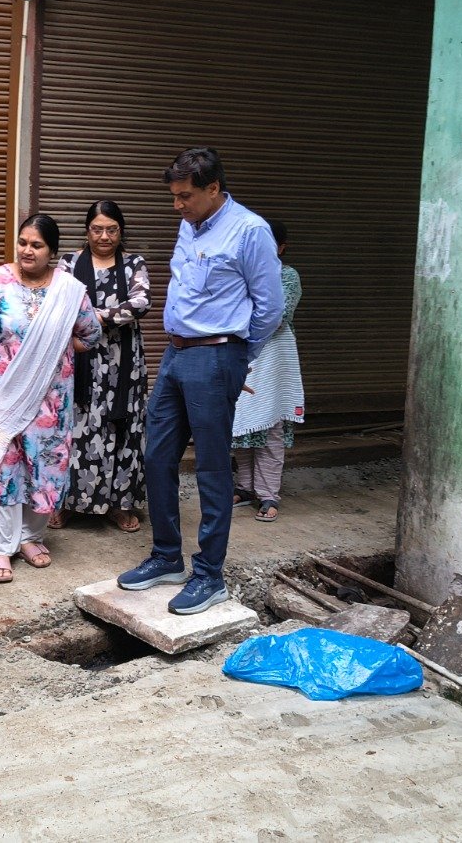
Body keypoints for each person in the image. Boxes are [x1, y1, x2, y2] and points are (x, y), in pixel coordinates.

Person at [116, 147, 284, 615]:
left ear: (214, 189)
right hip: (175, 352)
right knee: (156, 454)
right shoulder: (189, 224)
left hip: (216, 356)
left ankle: (209, 575)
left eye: (185, 196)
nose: (177, 205)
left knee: (211, 467)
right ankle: (166, 556)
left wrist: (234, 353)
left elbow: (269, 307)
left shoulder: (250, 231)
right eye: (174, 196)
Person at [0, 214, 100, 583]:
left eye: (36, 245)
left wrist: (58, 348)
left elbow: (91, 335)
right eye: (22, 242)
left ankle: (30, 537)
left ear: (52, 251)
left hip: (50, 401)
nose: (26, 250)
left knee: (45, 468)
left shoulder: (69, 291)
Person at [54, 200, 150, 533]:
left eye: (111, 229)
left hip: (124, 365)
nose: (104, 236)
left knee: (121, 428)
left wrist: (95, 316)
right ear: (87, 230)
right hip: (79, 359)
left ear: (120, 231)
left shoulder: (133, 263)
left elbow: (140, 302)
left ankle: (119, 504)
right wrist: (99, 317)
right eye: (97, 229)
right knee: (75, 428)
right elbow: (61, 302)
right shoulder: (69, 262)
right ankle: (68, 502)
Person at [230, 219, 305, 522]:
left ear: (281, 247)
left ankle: (269, 493)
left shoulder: (287, 276)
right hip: (244, 357)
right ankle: (245, 487)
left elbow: (277, 316)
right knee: (241, 423)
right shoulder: (240, 274)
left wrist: (239, 318)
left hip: (273, 360)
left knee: (270, 425)